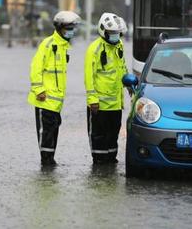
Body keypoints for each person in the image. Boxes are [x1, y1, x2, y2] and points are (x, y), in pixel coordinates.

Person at [27, 10, 81, 165]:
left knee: (53, 130)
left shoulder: (63, 46)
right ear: (59, 28)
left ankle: (50, 159)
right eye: (68, 28)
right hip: (44, 98)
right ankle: (46, 161)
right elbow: (36, 68)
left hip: (56, 101)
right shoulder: (48, 44)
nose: (71, 31)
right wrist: (39, 90)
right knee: (46, 132)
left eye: (72, 28)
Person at [84, 13, 129, 164]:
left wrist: (128, 84)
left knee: (113, 133)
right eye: (113, 34)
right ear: (103, 31)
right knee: (98, 134)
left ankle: (111, 158)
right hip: (99, 104)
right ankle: (99, 161)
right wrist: (92, 100)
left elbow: (121, 67)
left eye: (118, 33)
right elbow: (89, 77)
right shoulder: (94, 49)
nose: (116, 36)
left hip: (115, 103)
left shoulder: (119, 45)